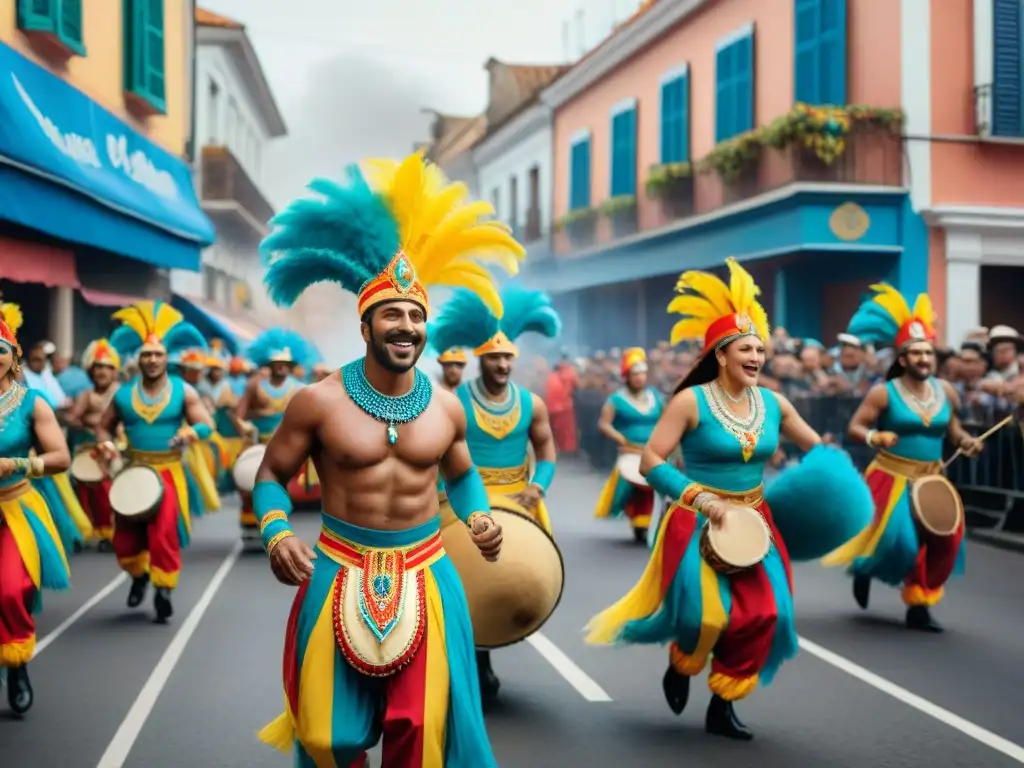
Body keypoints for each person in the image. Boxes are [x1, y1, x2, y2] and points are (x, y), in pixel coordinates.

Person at [254, 151, 524, 766]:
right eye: (392, 314)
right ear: (366, 326)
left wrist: (479, 516)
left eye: (415, 316)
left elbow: (463, 476)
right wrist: (276, 533)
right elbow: (271, 475)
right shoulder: (317, 402)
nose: (406, 325)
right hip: (337, 567)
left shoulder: (448, 408)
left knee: (419, 731)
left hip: (426, 572)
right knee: (329, 736)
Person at [585, 258, 871, 740]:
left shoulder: (775, 403)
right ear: (720, 355)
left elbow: (818, 447)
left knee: (768, 613)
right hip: (696, 520)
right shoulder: (690, 402)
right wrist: (701, 499)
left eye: (760, 349)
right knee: (705, 614)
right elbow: (652, 462)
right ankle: (683, 662)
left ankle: (724, 703)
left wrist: (836, 468)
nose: (757, 356)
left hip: (756, 520)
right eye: (746, 348)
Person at [427, 282, 560, 702]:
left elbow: (547, 454)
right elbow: (436, 455)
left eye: (507, 357)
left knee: (520, 582)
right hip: (464, 505)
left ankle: (485, 651)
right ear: (480, 360)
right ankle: (474, 659)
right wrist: (442, 496)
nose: (502, 364)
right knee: (459, 584)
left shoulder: (533, 404)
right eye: (493, 357)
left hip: (519, 503)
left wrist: (537, 487)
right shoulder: (452, 402)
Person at [833, 284, 982, 632]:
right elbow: (855, 427)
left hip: (933, 480)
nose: (924, 359)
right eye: (916, 353)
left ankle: (920, 603)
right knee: (900, 544)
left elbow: (953, 429)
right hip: (892, 477)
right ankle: (867, 571)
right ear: (903, 359)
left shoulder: (946, 392)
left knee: (947, 540)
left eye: (928, 353)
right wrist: (876, 437)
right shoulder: (882, 393)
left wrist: (967, 441)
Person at [95, 301, 216, 623]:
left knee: (163, 535)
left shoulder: (184, 391)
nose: (152, 360)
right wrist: (106, 444)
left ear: (167, 358)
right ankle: (139, 576)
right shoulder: (123, 395)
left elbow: (206, 424)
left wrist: (190, 433)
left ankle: (164, 590)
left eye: (158, 355)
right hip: (132, 472)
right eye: (147, 354)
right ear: (138, 358)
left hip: (168, 473)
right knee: (125, 541)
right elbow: (103, 426)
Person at [0, 302, 72, 715]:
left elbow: (61, 457)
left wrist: (17, 464)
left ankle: (17, 662)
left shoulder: (32, 402)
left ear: (14, 357)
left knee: (12, 589)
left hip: (15, 509)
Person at [234, 327, 316, 545]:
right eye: (276, 363)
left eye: (285, 363)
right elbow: (239, 414)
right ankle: (251, 522)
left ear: (291, 366)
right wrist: (245, 427)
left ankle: (277, 526)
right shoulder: (254, 385)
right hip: (259, 444)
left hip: (289, 445)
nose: (281, 367)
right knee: (250, 482)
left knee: (281, 486)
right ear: (268, 365)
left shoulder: (300, 388)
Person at [594, 347, 665, 543]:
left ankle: (650, 522)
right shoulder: (616, 399)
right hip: (630, 451)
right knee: (635, 488)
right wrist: (619, 437)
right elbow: (604, 424)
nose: (640, 378)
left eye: (642, 374)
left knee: (654, 487)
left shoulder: (655, 397)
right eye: (635, 374)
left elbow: (667, 418)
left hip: (654, 451)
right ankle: (639, 522)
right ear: (627, 376)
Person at [64, 337, 122, 548]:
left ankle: (112, 533)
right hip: (88, 450)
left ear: (114, 371)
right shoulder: (85, 395)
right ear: (91, 371)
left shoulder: (121, 393)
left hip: (116, 450)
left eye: (107, 367)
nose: (102, 372)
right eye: (98, 367)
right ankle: (84, 532)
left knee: (111, 492)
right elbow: (71, 418)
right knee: (83, 491)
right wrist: (87, 424)